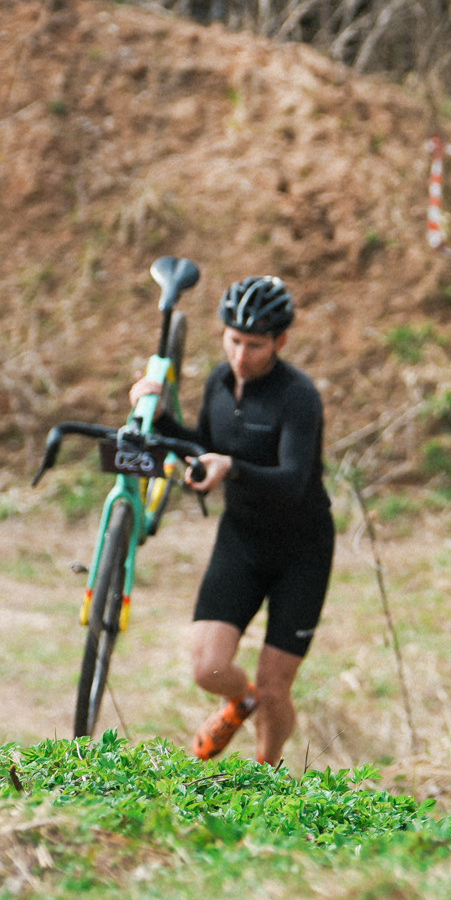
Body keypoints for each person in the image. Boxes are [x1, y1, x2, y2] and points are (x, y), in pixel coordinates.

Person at [131, 274, 332, 765]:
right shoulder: (220, 382)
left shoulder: (298, 396)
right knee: (208, 668)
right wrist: (155, 413)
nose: (241, 356)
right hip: (241, 539)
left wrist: (233, 468)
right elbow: (204, 443)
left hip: (301, 549)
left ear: (280, 342)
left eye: (255, 345)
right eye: (234, 340)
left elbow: (293, 478)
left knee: (276, 687)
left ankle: (266, 773)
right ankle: (241, 702)